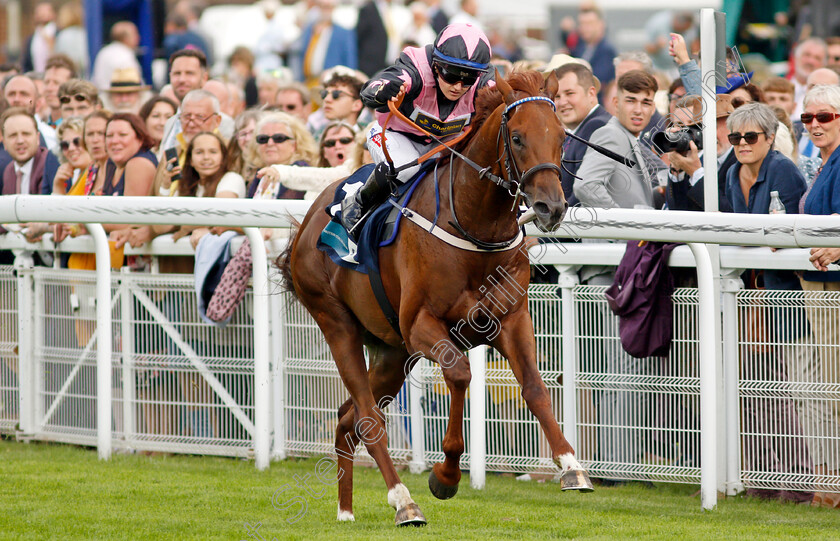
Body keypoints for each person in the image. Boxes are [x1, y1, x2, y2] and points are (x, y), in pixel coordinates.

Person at [724, 102, 813, 504]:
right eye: (734, 138)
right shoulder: (730, 174)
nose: (741, 145)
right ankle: (763, 477)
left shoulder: (783, 170)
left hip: (785, 295)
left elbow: (795, 230)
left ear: (770, 138)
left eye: (750, 137)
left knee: (786, 394)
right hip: (748, 295)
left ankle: (800, 481)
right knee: (754, 391)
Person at [339, 22, 494, 233]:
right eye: (452, 75)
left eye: (468, 79)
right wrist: (383, 90)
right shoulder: (415, 70)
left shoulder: (485, 81)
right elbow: (372, 87)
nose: (458, 86)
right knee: (405, 168)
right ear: (436, 65)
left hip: (445, 145)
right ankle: (358, 203)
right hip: (397, 137)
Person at [797, 84, 840, 509]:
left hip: (834, 290)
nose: (814, 125)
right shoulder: (823, 163)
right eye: (808, 119)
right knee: (826, 389)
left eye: (824, 117)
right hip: (819, 289)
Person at [550, 61, 610, 208]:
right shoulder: (576, 131)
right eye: (557, 96)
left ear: (591, 93)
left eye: (569, 93)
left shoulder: (597, 126)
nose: (562, 102)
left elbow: (583, 190)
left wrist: (555, 223)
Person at [103, 114, 158, 248]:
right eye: (109, 136)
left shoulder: (139, 163)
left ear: (140, 138)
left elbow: (131, 219)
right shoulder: (110, 164)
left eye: (122, 134)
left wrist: (83, 223)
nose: (115, 141)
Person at [295, 0, 358, 87]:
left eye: (328, 6)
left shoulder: (343, 32)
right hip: (308, 82)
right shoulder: (309, 29)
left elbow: (350, 62)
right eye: (322, 6)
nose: (325, 9)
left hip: (331, 84)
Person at [568, 6, 616, 97]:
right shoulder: (581, 47)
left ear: (601, 25)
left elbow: (596, 80)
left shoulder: (607, 51)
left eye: (589, 23)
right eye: (582, 24)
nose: (585, 28)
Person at [90, 21, 142, 92]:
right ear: (125, 38)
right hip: (119, 97)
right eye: (135, 34)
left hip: (103, 96)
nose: (138, 38)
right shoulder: (125, 55)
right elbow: (134, 83)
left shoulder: (104, 51)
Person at [42, 54, 76, 128]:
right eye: (47, 82)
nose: (49, 88)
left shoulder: (77, 126)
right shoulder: (39, 123)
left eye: (56, 83)